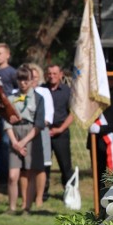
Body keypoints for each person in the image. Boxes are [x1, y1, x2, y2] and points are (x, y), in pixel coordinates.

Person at [4, 65, 45, 213]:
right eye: (20, 80)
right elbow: (6, 121)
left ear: (31, 80)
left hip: (31, 135)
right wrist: (15, 142)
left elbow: (39, 123)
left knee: (30, 172)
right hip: (14, 134)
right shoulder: (11, 98)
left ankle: (27, 206)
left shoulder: (38, 98)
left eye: (26, 80)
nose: (23, 83)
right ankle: (12, 207)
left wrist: (23, 142)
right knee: (13, 175)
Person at [87, 63, 113, 200]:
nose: (111, 81)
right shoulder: (93, 96)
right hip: (96, 142)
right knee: (98, 177)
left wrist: (101, 128)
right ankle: (99, 207)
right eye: (109, 79)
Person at [44, 64, 74, 196]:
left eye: (55, 73)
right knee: (44, 164)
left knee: (65, 164)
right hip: (43, 131)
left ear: (61, 74)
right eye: (49, 73)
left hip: (61, 132)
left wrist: (60, 129)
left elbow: (73, 113)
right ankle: (42, 192)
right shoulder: (42, 90)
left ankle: (69, 191)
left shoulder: (68, 91)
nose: (52, 76)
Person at [27, 63, 53, 207]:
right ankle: (27, 197)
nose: (33, 80)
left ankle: (39, 197)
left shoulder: (44, 92)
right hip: (24, 132)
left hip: (40, 131)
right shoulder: (20, 93)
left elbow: (49, 116)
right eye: (31, 77)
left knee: (40, 166)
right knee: (27, 168)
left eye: (36, 77)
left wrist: (35, 124)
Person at [0, 42, 18, 184]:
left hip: (6, 113)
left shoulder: (12, 72)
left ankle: (4, 175)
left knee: (5, 143)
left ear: (7, 55)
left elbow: (18, 92)